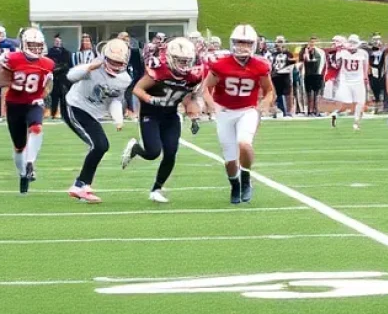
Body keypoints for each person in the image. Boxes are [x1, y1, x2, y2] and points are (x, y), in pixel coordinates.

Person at [122, 37, 202, 203]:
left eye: (187, 61)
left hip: (171, 115)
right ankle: (136, 148)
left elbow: (188, 96)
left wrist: (193, 114)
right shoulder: (159, 69)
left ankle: (157, 189)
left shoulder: (194, 75)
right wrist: (150, 99)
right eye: (180, 60)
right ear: (171, 58)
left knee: (171, 152)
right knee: (153, 152)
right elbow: (137, 89)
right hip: (151, 113)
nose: (184, 65)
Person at [203, 24, 274, 205]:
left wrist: (264, 104)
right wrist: (212, 105)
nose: (242, 47)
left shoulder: (260, 65)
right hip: (225, 111)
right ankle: (235, 186)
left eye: (246, 43)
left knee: (244, 143)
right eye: (239, 42)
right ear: (232, 43)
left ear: (254, 45)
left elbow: (269, 91)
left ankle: (246, 178)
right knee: (229, 160)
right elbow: (206, 88)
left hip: (247, 110)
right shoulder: (220, 64)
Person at [64, 39, 132, 203]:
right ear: (104, 57)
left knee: (100, 146)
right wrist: (89, 67)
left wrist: (118, 118)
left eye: (118, 62)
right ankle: (80, 185)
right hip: (76, 106)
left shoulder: (124, 79)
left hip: (93, 114)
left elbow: (114, 100)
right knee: (99, 145)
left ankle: (83, 185)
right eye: (112, 60)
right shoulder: (94, 69)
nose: (115, 65)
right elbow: (71, 76)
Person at [0, 28, 53, 195]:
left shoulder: (47, 63)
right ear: (24, 44)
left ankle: (30, 163)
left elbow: (48, 83)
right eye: (32, 45)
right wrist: (2, 71)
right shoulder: (11, 58)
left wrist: (43, 95)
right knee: (19, 147)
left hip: (34, 102)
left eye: (38, 45)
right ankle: (22, 174)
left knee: (36, 128)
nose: (35, 49)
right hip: (14, 104)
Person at [331, 34, 370, 130]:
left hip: (346, 80)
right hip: (357, 80)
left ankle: (336, 113)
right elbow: (366, 67)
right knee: (359, 103)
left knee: (347, 104)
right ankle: (356, 123)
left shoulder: (342, 53)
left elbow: (337, 66)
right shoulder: (363, 53)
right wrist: (366, 78)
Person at [47, 34, 72, 119]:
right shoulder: (50, 52)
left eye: (59, 41)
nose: (57, 43)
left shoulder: (66, 52)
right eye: (56, 41)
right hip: (54, 78)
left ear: (61, 42)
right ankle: (53, 114)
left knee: (64, 97)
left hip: (63, 78)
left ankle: (65, 114)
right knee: (54, 97)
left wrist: (58, 68)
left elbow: (67, 65)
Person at [269, 36, 295, 118]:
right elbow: (271, 65)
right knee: (277, 94)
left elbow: (292, 66)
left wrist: (285, 71)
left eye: (280, 42)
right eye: (277, 42)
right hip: (275, 76)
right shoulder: (273, 54)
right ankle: (280, 110)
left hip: (285, 75)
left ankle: (288, 111)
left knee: (287, 94)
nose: (278, 44)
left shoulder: (288, 54)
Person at [300, 37, 325, 117]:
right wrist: (307, 51)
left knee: (317, 94)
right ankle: (310, 111)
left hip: (317, 74)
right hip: (308, 74)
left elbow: (323, 62)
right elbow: (305, 59)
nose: (313, 44)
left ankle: (317, 110)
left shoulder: (320, 51)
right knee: (309, 94)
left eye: (314, 42)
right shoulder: (305, 50)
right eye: (311, 42)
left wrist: (321, 73)